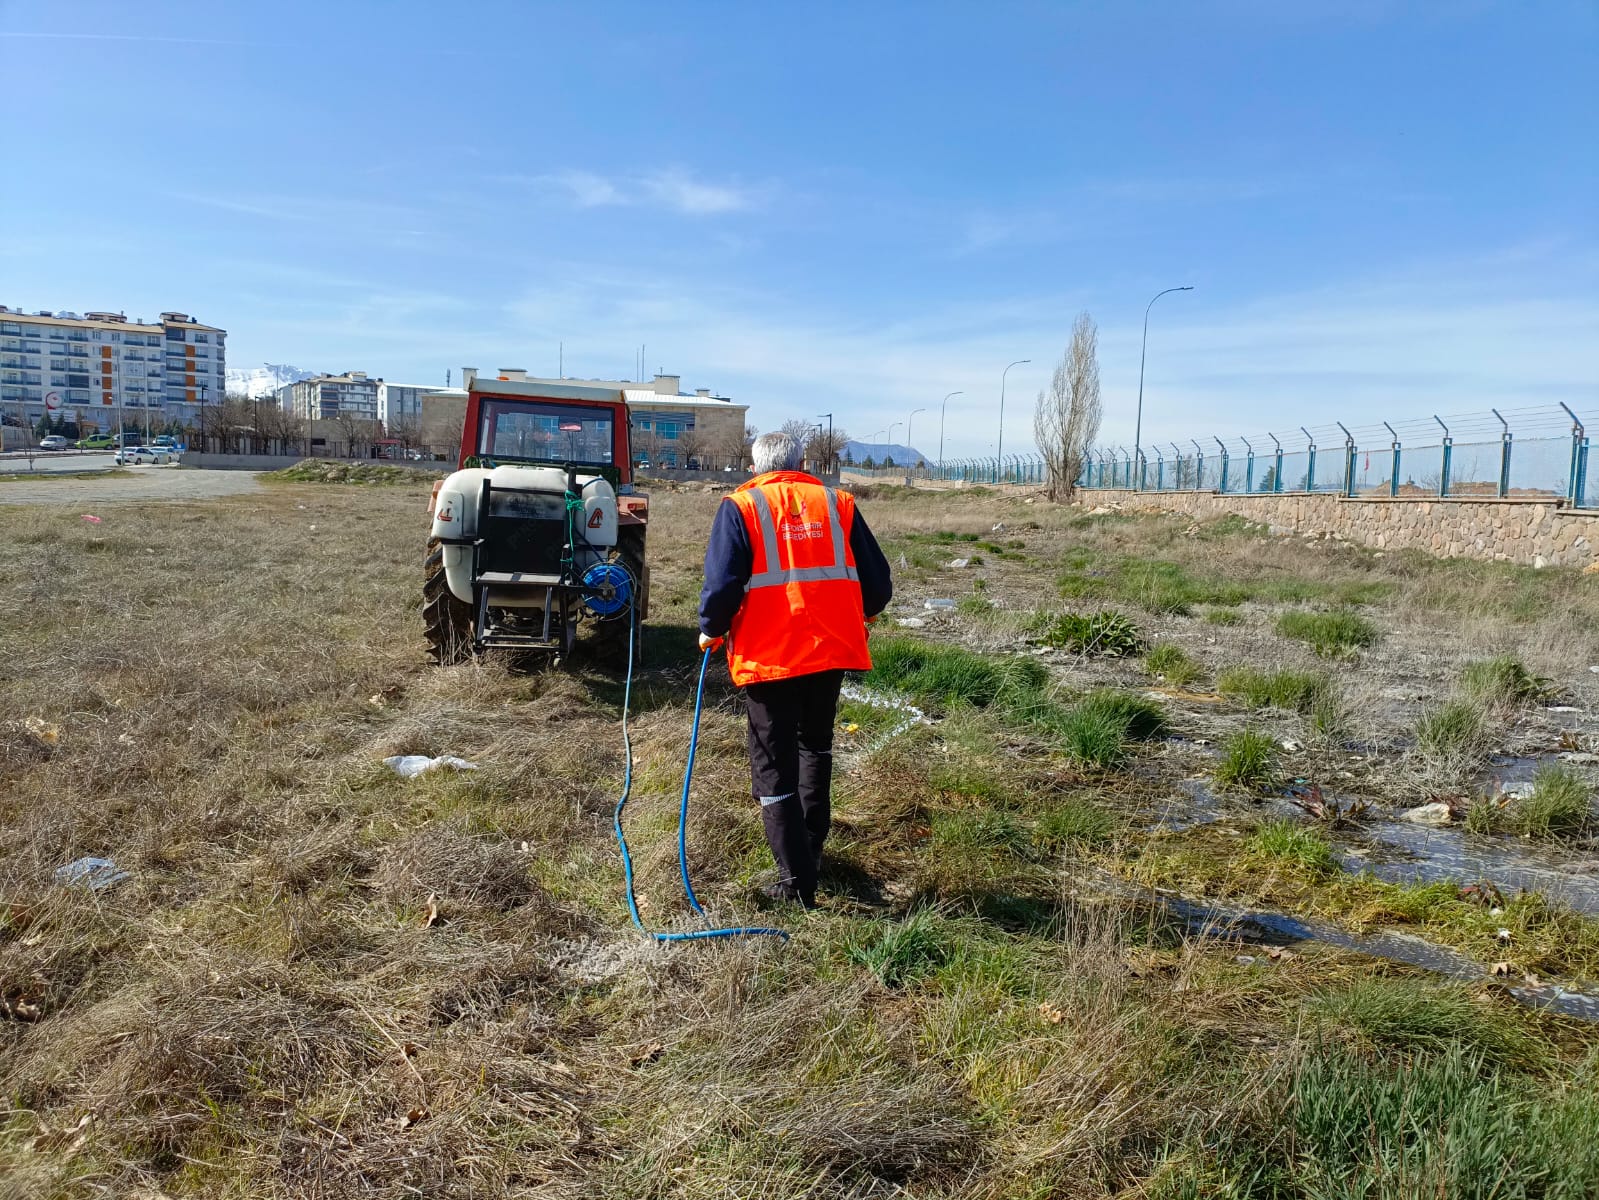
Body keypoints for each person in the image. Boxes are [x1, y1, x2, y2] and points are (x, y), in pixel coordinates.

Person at [698, 432, 893, 908]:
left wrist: (711, 629)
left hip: (770, 658)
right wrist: (860, 614)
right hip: (829, 651)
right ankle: (810, 852)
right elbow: (879, 586)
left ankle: (796, 882)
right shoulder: (837, 504)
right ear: (803, 462)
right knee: (814, 748)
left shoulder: (741, 507)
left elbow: (722, 584)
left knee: (772, 767)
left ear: (754, 464)